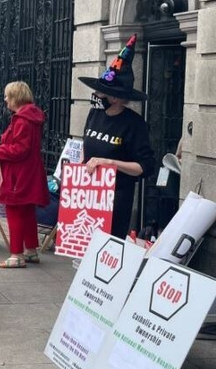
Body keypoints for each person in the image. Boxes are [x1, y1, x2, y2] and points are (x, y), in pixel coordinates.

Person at [78, 34, 155, 240]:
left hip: (115, 201)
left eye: (100, 93)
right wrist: (80, 163)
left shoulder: (134, 125)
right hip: (88, 196)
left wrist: (109, 162)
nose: (95, 96)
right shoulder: (95, 114)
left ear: (115, 98)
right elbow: (86, 142)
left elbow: (145, 167)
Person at [0, 81, 50, 268]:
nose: (5, 99)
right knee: (27, 212)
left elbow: (19, 149)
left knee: (14, 211)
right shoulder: (29, 117)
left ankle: (16, 255)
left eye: (8, 95)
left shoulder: (22, 120)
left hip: (19, 173)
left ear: (16, 97)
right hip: (28, 171)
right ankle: (30, 250)